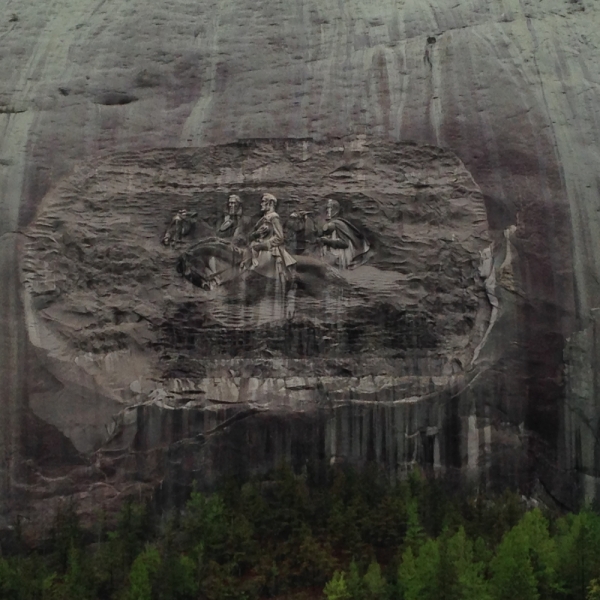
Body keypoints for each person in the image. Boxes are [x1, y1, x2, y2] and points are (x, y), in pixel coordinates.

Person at [244, 193, 296, 279]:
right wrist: (256, 235)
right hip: (256, 248)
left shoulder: (274, 218)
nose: (261, 204)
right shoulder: (263, 219)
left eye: (264, 201)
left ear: (271, 203)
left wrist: (263, 245)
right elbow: (252, 234)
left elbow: (279, 237)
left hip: (270, 249)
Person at [319, 198, 370, 269]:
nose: (328, 211)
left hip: (341, 257)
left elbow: (345, 244)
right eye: (326, 209)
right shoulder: (326, 223)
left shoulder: (339, 224)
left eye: (330, 208)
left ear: (335, 210)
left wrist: (327, 241)